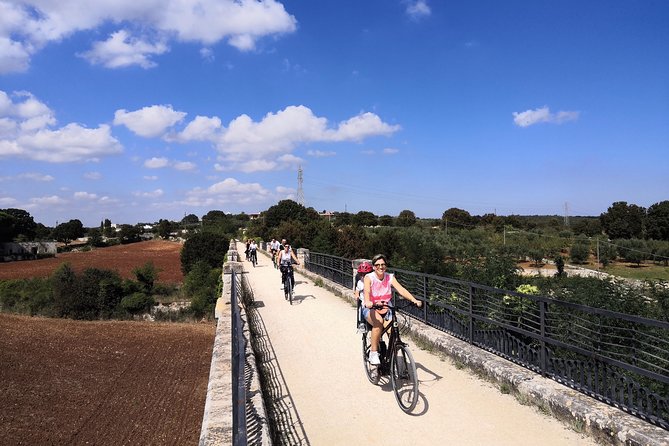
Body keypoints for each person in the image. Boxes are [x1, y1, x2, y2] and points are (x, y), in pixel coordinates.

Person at [363, 254, 422, 365]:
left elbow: (401, 289)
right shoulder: (369, 277)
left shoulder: (389, 277)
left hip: (386, 307)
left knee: (393, 332)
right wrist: (368, 301)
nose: (381, 267)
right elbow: (367, 292)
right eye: (378, 265)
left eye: (383, 264)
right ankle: (373, 353)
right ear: (374, 267)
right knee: (378, 323)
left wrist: (414, 300)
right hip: (372, 308)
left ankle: (391, 358)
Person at [354, 261, 373, 331]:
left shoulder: (373, 281)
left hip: (373, 301)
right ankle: (362, 323)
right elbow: (357, 290)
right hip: (364, 301)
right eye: (361, 274)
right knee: (361, 309)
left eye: (365, 274)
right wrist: (356, 295)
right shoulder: (360, 282)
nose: (363, 276)